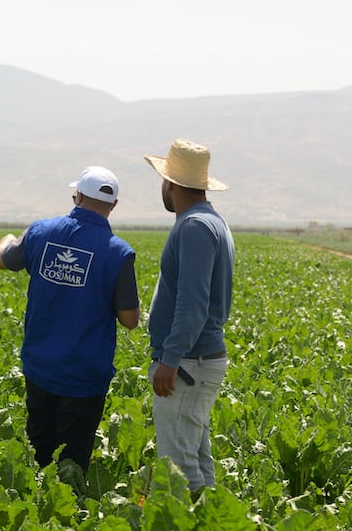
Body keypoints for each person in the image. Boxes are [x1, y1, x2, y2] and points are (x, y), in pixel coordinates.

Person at [0, 166, 140, 475]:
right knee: (71, 467)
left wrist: (7, 238)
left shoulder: (40, 232)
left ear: (78, 196)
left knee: (39, 457)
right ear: (113, 206)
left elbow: (0, 259)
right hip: (85, 377)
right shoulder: (118, 253)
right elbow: (130, 320)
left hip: (40, 368)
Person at [143, 139, 235, 494]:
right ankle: (209, 517)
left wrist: (171, 357)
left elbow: (192, 302)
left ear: (171, 184)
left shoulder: (195, 226)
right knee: (196, 460)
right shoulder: (209, 222)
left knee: (179, 472)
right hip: (196, 360)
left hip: (188, 364)